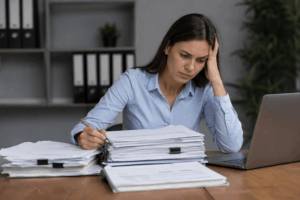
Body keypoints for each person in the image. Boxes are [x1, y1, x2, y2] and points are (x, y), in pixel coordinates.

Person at [70, 13, 243, 153]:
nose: (190, 68)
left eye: (201, 60)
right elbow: (85, 126)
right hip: (137, 177)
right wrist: (82, 136)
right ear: (168, 47)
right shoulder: (133, 81)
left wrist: (217, 81)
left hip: (184, 177)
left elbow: (231, 146)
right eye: (184, 55)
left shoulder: (204, 90)